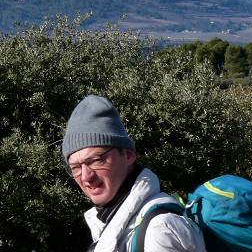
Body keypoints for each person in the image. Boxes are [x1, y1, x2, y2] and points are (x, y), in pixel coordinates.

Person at [63, 95, 206, 252]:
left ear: (128, 156)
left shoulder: (159, 230)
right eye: (75, 167)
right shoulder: (108, 222)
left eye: (96, 160)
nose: (85, 176)